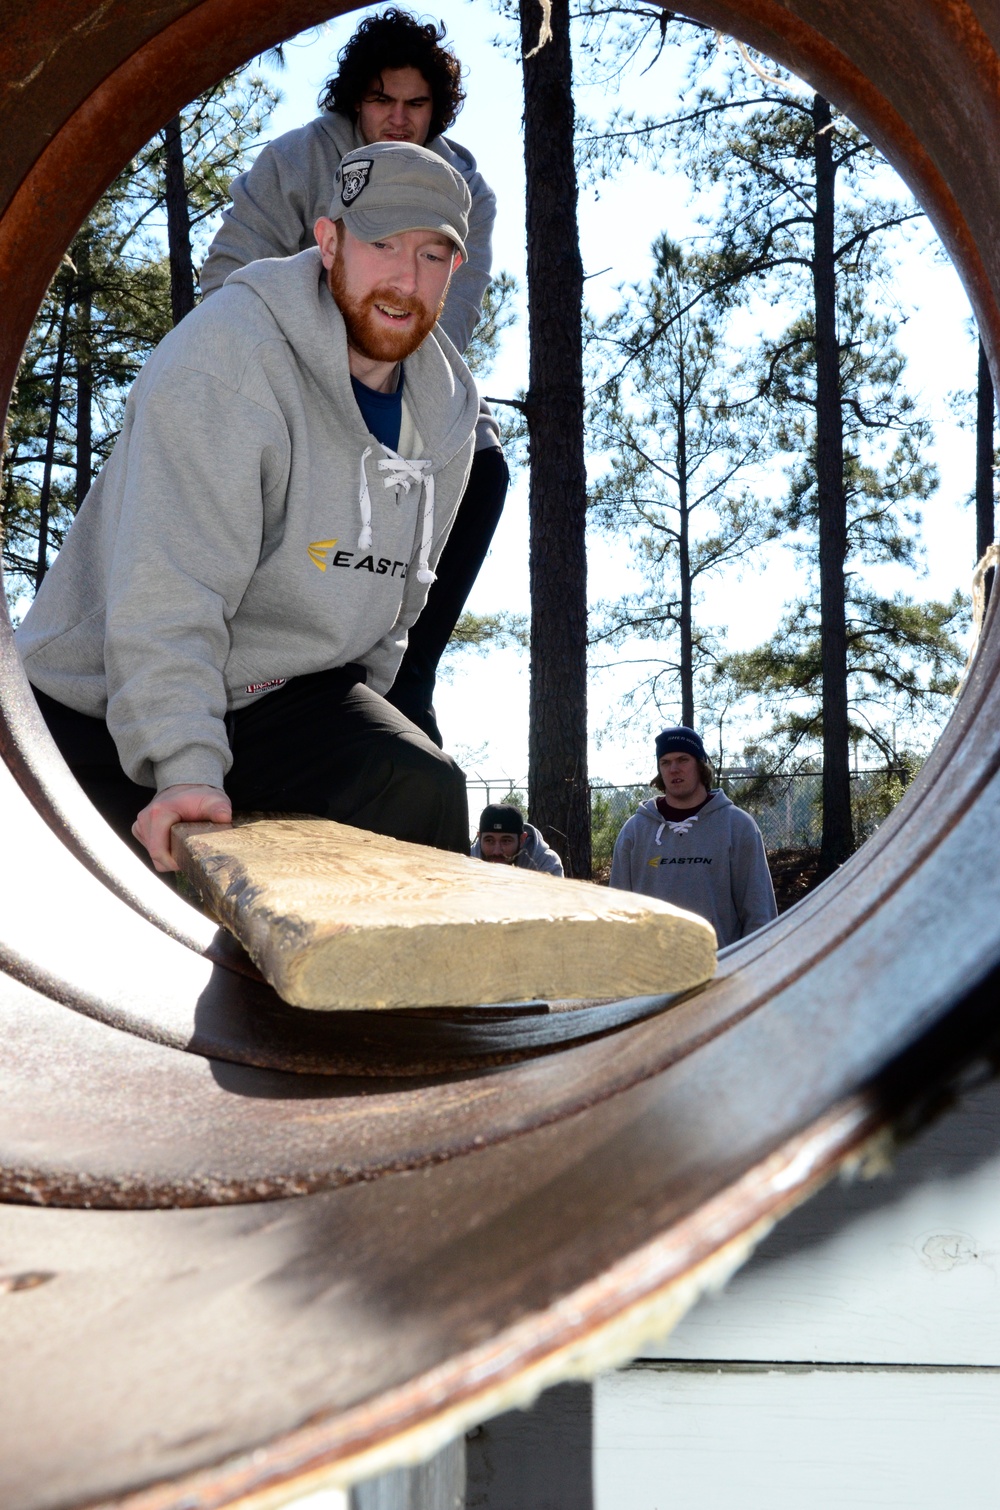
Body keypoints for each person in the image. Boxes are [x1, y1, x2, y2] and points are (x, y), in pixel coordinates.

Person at [17, 142, 480, 873]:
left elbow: (396, 609)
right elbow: (169, 590)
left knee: (419, 787)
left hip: (280, 698)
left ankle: (415, 989)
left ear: (455, 269)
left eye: (430, 254)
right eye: (381, 243)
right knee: (130, 919)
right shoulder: (230, 359)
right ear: (330, 242)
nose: (403, 278)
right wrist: (189, 769)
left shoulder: (446, 416)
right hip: (101, 702)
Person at [200, 9, 508, 746]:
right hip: (289, 412)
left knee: (483, 477)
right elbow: (224, 282)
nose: (397, 119)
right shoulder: (296, 163)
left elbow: (446, 324)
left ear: (437, 110)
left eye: (415, 104)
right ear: (353, 101)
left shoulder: (466, 190)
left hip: (411, 419)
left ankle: (407, 734)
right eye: (380, 100)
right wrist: (313, 365)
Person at [610, 727, 777, 947]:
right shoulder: (635, 831)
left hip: (719, 969)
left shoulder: (737, 826)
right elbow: (617, 914)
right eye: (665, 762)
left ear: (700, 766)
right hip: (651, 973)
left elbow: (760, 914)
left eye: (683, 759)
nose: (674, 769)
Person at [470, 803, 564, 876]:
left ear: (522, 839)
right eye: (489, 841)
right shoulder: (467, 859)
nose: (497, 851)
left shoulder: (545, 862)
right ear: (479, 837)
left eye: (506, 841)